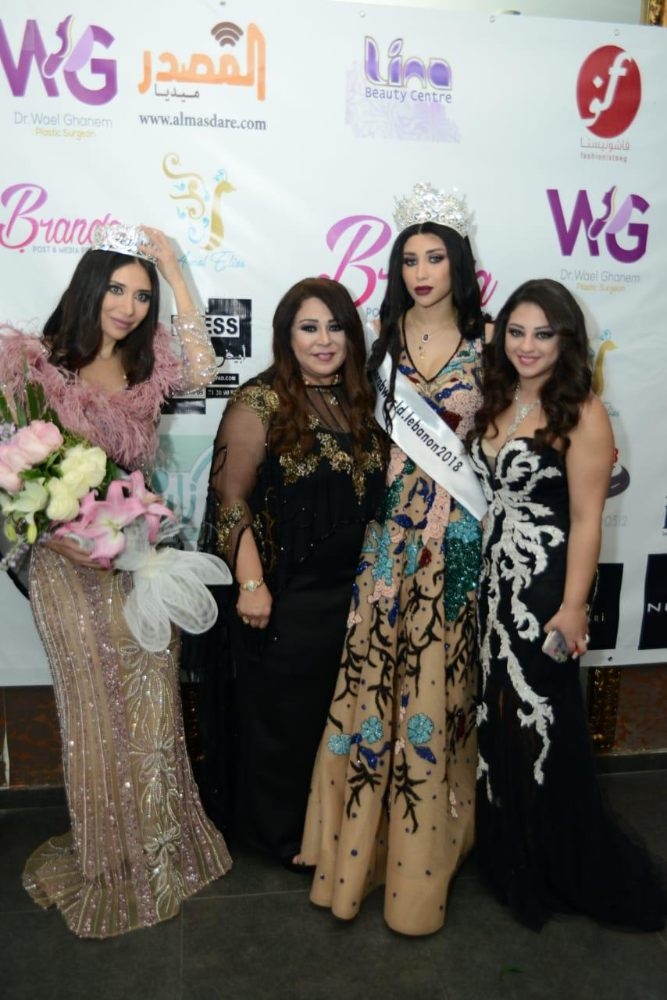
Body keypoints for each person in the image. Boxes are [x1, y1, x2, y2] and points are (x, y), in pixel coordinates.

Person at [0, 223, 231, 938]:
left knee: (151, 700)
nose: (129, 307)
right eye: (118, 290)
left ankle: (163, 849)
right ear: (90, 287)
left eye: (142, 295)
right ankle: (109, 859)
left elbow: (204, 368)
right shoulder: (32, 364)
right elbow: (9, 475)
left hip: (138, 558)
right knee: (93, 712)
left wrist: (174, 271)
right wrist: (51, 538)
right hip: (63, 568)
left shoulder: (146, 365)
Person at [301, 182, 490, 935]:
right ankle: (356, 853)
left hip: (458, 541)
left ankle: (428, 859)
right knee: (373, 683)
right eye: (409, 259)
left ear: (457, 263)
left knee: (440, 688)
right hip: (388, 544)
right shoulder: (379, 341)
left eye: (434, 257)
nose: (421, 272)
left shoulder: (491, 341)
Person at [468, 277, 666, 931]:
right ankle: (509, 851)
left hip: (545, 590)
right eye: (516, 332)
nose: (526, 346)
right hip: (493, 583)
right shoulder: (499, 396)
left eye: (543, 334)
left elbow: (586, 519)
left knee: (543, 720)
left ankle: (554, 864)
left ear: (566, 341)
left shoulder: (582, 410)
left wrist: (574, 605)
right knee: (497, 715)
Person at [201, 276, 386, 869]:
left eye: (335, 327)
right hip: (286, 595)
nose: (324, 340)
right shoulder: (259, 401)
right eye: (309, 327)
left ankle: (328, 830)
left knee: (335, 719)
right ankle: (282, 836)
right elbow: (231, 499)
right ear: (287, 335)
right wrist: (251, 584)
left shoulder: (361, 400)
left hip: (351, 596)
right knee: (285, 720)